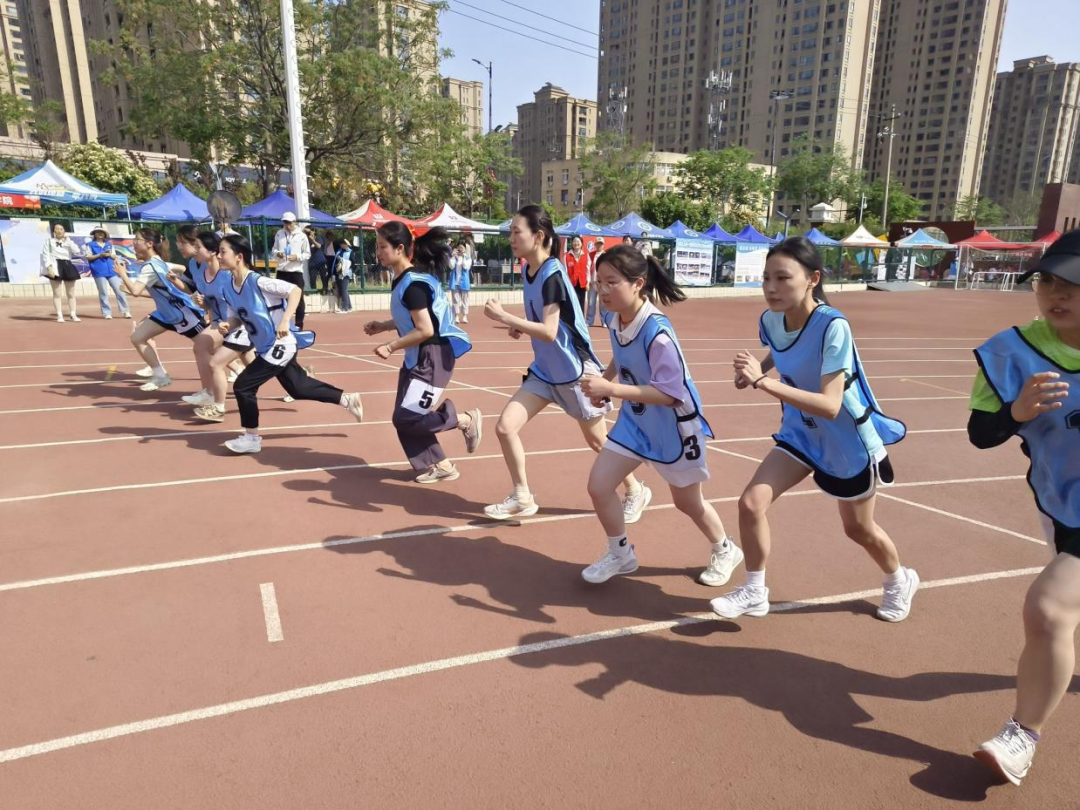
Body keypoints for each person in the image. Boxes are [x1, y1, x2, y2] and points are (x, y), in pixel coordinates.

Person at [709, 237, 918, 622]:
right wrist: (759, 369)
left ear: (812, 279)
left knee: (858, 529)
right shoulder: (771, 319)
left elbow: (830, 404)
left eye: (783, 278)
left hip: (845, 440)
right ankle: (754, 591)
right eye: (766, 278)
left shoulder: (833, 326)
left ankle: (899, 579)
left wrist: (762, 382)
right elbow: (780, 346)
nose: (771, 287)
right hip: (801, 433)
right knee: (751, 503)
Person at [968, 231, 1080, 786]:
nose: (1056, 294)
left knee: (1049, 609)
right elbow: (980, 434)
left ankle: (1022, 735)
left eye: (1073, 285)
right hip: (1064, 504)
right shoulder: (1011, 352)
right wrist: (1015, 412)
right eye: (1047, 282)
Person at [577, 245, 743, 586]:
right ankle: (621, 554)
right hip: (637, 421)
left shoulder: (658, 334)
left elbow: (670, 394)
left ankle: (725, 548)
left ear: (638, 284)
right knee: (599, 486)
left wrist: (610, 389)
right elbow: (621, 354)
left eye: (611, 282)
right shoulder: (614, 317)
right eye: (599, 282)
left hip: (675, 426)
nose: (603, 290)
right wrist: (605, 381)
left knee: (688, 502)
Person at [481, 205, 649, 521]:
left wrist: (506, 317)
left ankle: (636, 489)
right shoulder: (529, 271)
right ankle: (522, 496)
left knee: (598, 441)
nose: (511, 238)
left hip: (574, 371)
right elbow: (546, 322)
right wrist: (521, 326)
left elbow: (549, 331)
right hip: (546, 372)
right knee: (505, 427)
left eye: (516, 232)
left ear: (538, 236)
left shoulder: (553, 275)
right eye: (510, 232)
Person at [215, 234, 363, 454]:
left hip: (280, 344)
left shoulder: (259, 282)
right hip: (265, 347)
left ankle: (251, 438)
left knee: (243, 386)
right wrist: (228, 324)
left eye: (222, 251)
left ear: (239, 256)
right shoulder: (228, 288)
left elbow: (295, 290)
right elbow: (236, 317)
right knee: (298, 387)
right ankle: (346, 399)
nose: (218, 256)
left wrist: (285, 320)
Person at [364, 223, 482, 483]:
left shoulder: (413, 285)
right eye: (377, 247)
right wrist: (384, 326)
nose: (378, 253)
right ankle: (442, 466)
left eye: (382, 247)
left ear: (400, 248)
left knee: (406, 417)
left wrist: (390, 346)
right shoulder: (405, 280)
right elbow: (412, 319)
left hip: (432, 357)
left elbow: (426, 329)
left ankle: (464, 420)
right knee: (404, 417)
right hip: (417, 357)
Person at [169, 228, 252, 422]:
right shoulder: (198, 267)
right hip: (220, 322)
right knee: (260, 367)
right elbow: (206, 298)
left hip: (238, 324)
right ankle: (211, 396)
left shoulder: (228, 274)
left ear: (213, 251)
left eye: (197, 246)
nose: (194, 249)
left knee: (204, 348)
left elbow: (241, 300)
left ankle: (213, 398)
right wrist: (203, 303)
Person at [113, 228, 207, 392]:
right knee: (138, 337)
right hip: (165, 313)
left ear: (149, 244)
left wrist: (122, 274)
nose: (134, 242)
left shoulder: (150, 267)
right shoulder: (157, 262)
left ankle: (237, 368)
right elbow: (178, 271)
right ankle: (160, 375)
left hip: (181, 314)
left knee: (210, 347)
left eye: (137, 239)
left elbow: (135, 291)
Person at [272, 212, 310, 329]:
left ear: (295, 222)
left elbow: (307, 254)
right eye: (285, 222)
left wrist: (297, 257)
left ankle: (299, 324)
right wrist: (278, 253)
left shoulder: (302, 236)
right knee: (279, 299)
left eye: (289, 222)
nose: (287, 225)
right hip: (281, 271)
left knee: (299, 299)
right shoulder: (279, 233)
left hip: (295, 272)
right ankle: (281, 323)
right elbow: (274, 249)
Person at [83, 228, 130, 320]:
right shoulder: (90, 245)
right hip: (99, 271)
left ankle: (126, 311)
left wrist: (110, 255)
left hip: (112, 271)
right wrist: (100, 255)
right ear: (94, 234)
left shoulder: (109, 244)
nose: (100, 234)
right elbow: (88, 257)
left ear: (105, 235)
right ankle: (107, 313)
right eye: (98, 232)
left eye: (102, 233)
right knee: (103, 292)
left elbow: (114, 256)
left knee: (120, 290)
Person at [40, 224, 82, 322]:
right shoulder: (49, 242)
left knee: (71, 293)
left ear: (64, 231)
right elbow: (46, 255)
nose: (59, 231)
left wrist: (68, 241)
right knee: (57, 293)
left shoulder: (68, 241)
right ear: (54, 231)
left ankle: (73, 314)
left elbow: (77, 251)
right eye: (57, 229)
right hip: (55, 265)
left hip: (67, 264)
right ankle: (59, 315)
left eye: (61, 229)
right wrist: (49, 267)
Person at [564, 235, 591, 313]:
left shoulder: (586, 255)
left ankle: (581, 319)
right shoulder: (567, 256)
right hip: (571, 283)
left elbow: (588, 270)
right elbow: (565, 271)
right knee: (572, 303)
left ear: (581, 243)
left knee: (581, 303)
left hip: (582, 283)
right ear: (572, 243)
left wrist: (588, 283)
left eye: (578, 241)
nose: (576, 243)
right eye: (574, 241)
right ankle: (573, 319)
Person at [305, 227, 329, 308]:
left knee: (324, 277)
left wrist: (312, 240)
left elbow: (319, 246)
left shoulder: (318, 238)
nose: (309, 233)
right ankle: (314, 292)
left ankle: (325, 291)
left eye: (311, 231)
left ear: (314, 231)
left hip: (321, 261)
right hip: (312, 263)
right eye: (308, 232)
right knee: (312, 279)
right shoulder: (305, 239)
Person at [448, 241, 472, 324]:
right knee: (455, 300)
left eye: (462, 248)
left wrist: (464, 256)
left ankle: (465, 316)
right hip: (455, 282)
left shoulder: (468, 258)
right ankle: (456, 316)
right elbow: (451, 266)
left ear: (465, 249)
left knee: (465, 300)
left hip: (464, 282)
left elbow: (466, 267)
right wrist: (453, 257)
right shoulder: (454, 257)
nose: (460, 249)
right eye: (459, 247)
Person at [585, 238, 604, 327]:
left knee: (603, 303)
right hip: (593, 282)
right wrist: (588, 280)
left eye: (601, 244)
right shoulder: (591, 255)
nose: (599, 245)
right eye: (597, 243)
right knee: (591, 303)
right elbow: (587, 268)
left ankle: (604, 321)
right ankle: (589, 321)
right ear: (595, 245)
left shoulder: (606, 255)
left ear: (603, 245)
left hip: (602, 283)